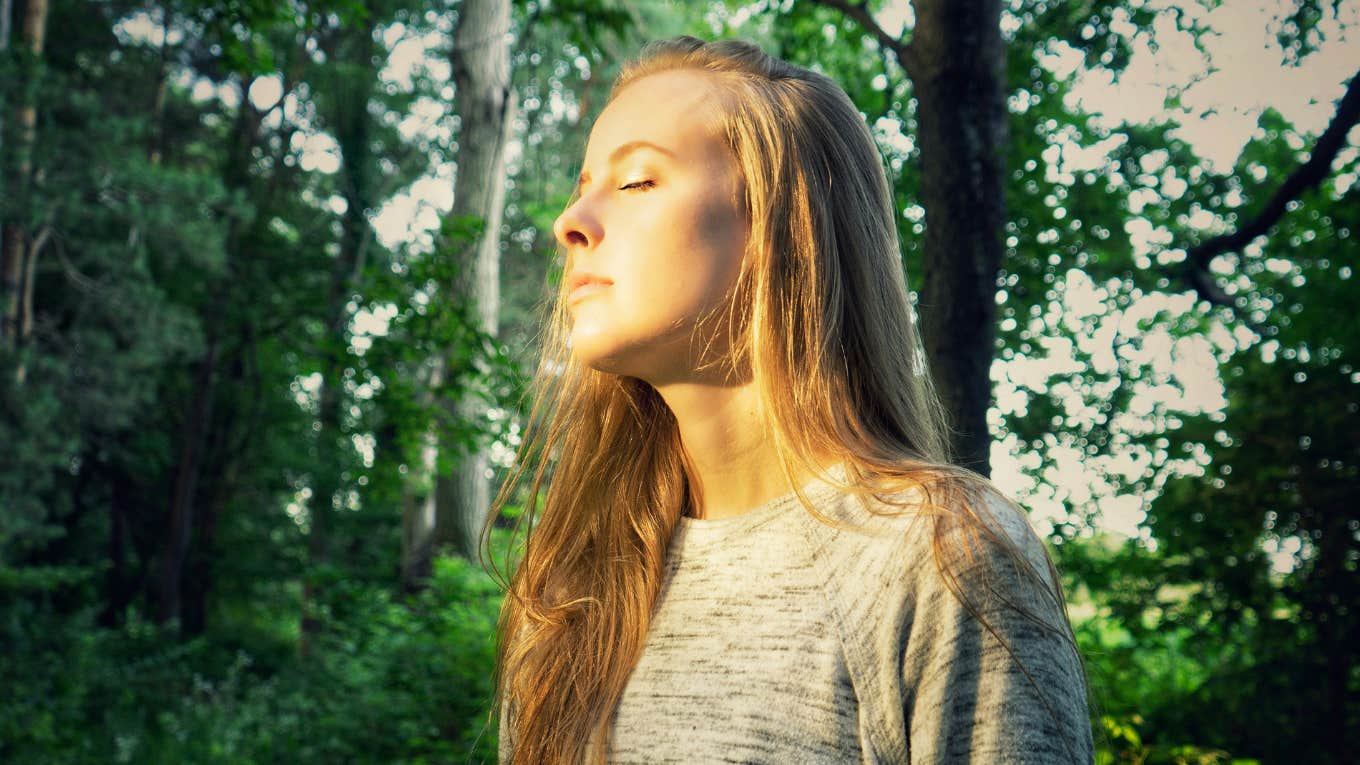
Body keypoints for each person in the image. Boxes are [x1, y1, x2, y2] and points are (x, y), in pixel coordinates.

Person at [487, 35, 1094, 764]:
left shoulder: (940, 556)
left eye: (638, 181)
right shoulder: (563, 593)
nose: (570, 222)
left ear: (784, 226)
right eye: (582, 185)